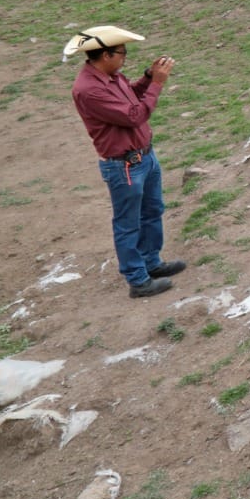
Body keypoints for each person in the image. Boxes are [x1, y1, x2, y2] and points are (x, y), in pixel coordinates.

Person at [66, 26, 185, 299]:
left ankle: (151, 263)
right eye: (122, 53)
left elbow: (130, 95)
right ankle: (138, 281)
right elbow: (134, 115)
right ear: (106, 55)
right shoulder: (88, 90)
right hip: (125, 167)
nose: (125, 58)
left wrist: (146, 78)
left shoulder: (109, 76)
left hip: (144, 157)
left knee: (152, 211)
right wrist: (157, 83)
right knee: (128, 224)